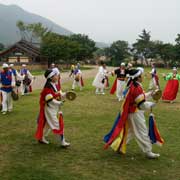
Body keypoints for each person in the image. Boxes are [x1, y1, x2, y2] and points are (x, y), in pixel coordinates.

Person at [104, 68, 161, 159]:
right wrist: (152, 104)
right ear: (137, 77)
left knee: (130, 131)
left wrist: (150, 94)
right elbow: (141, 104)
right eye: (141, 75)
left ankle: (118, 146)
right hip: (135, 113)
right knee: (142, 131)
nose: (142, 76)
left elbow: (139, 98)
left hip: (131, 112)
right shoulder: (136, 87)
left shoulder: (133, 85)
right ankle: (148, 151)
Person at [35, 69, 70, 147]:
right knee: (58, 125)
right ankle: (63, 142)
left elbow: (59, 94)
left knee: (47, 125)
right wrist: (59, 103)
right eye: (55, 75)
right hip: (50, 110)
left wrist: (66, 94)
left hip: (54, 109)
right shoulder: (47, 89)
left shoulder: (55, 85)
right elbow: (50, 100)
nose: (57, 76)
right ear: (51, 77)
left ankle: (41, 138)